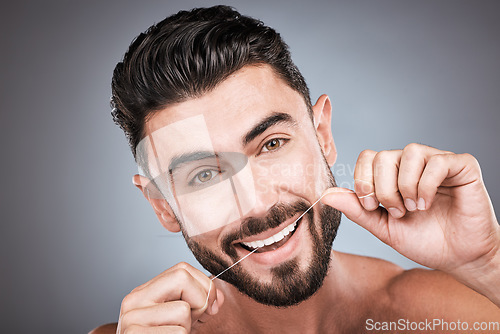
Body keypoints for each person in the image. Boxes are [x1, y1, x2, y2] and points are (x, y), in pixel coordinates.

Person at [91, 5, 500, 333]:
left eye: (271, 144)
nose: (255, 204)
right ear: (163, 206)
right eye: (204, 175)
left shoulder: (456, 316)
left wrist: (489, 263)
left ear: (322, 135)